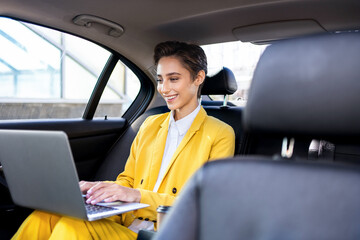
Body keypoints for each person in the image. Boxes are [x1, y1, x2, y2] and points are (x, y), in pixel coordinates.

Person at [12, 41, 235, 239]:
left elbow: (206, 206)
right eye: (160, 80)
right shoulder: (149, 125)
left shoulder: (220, 133)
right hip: (127, 225)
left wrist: (136, 195)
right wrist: (98, 187)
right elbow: (127, 182)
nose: (164, 89)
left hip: (168, 231)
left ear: (198, 78)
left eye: (173, 79)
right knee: (45, 214)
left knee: (72, 227)